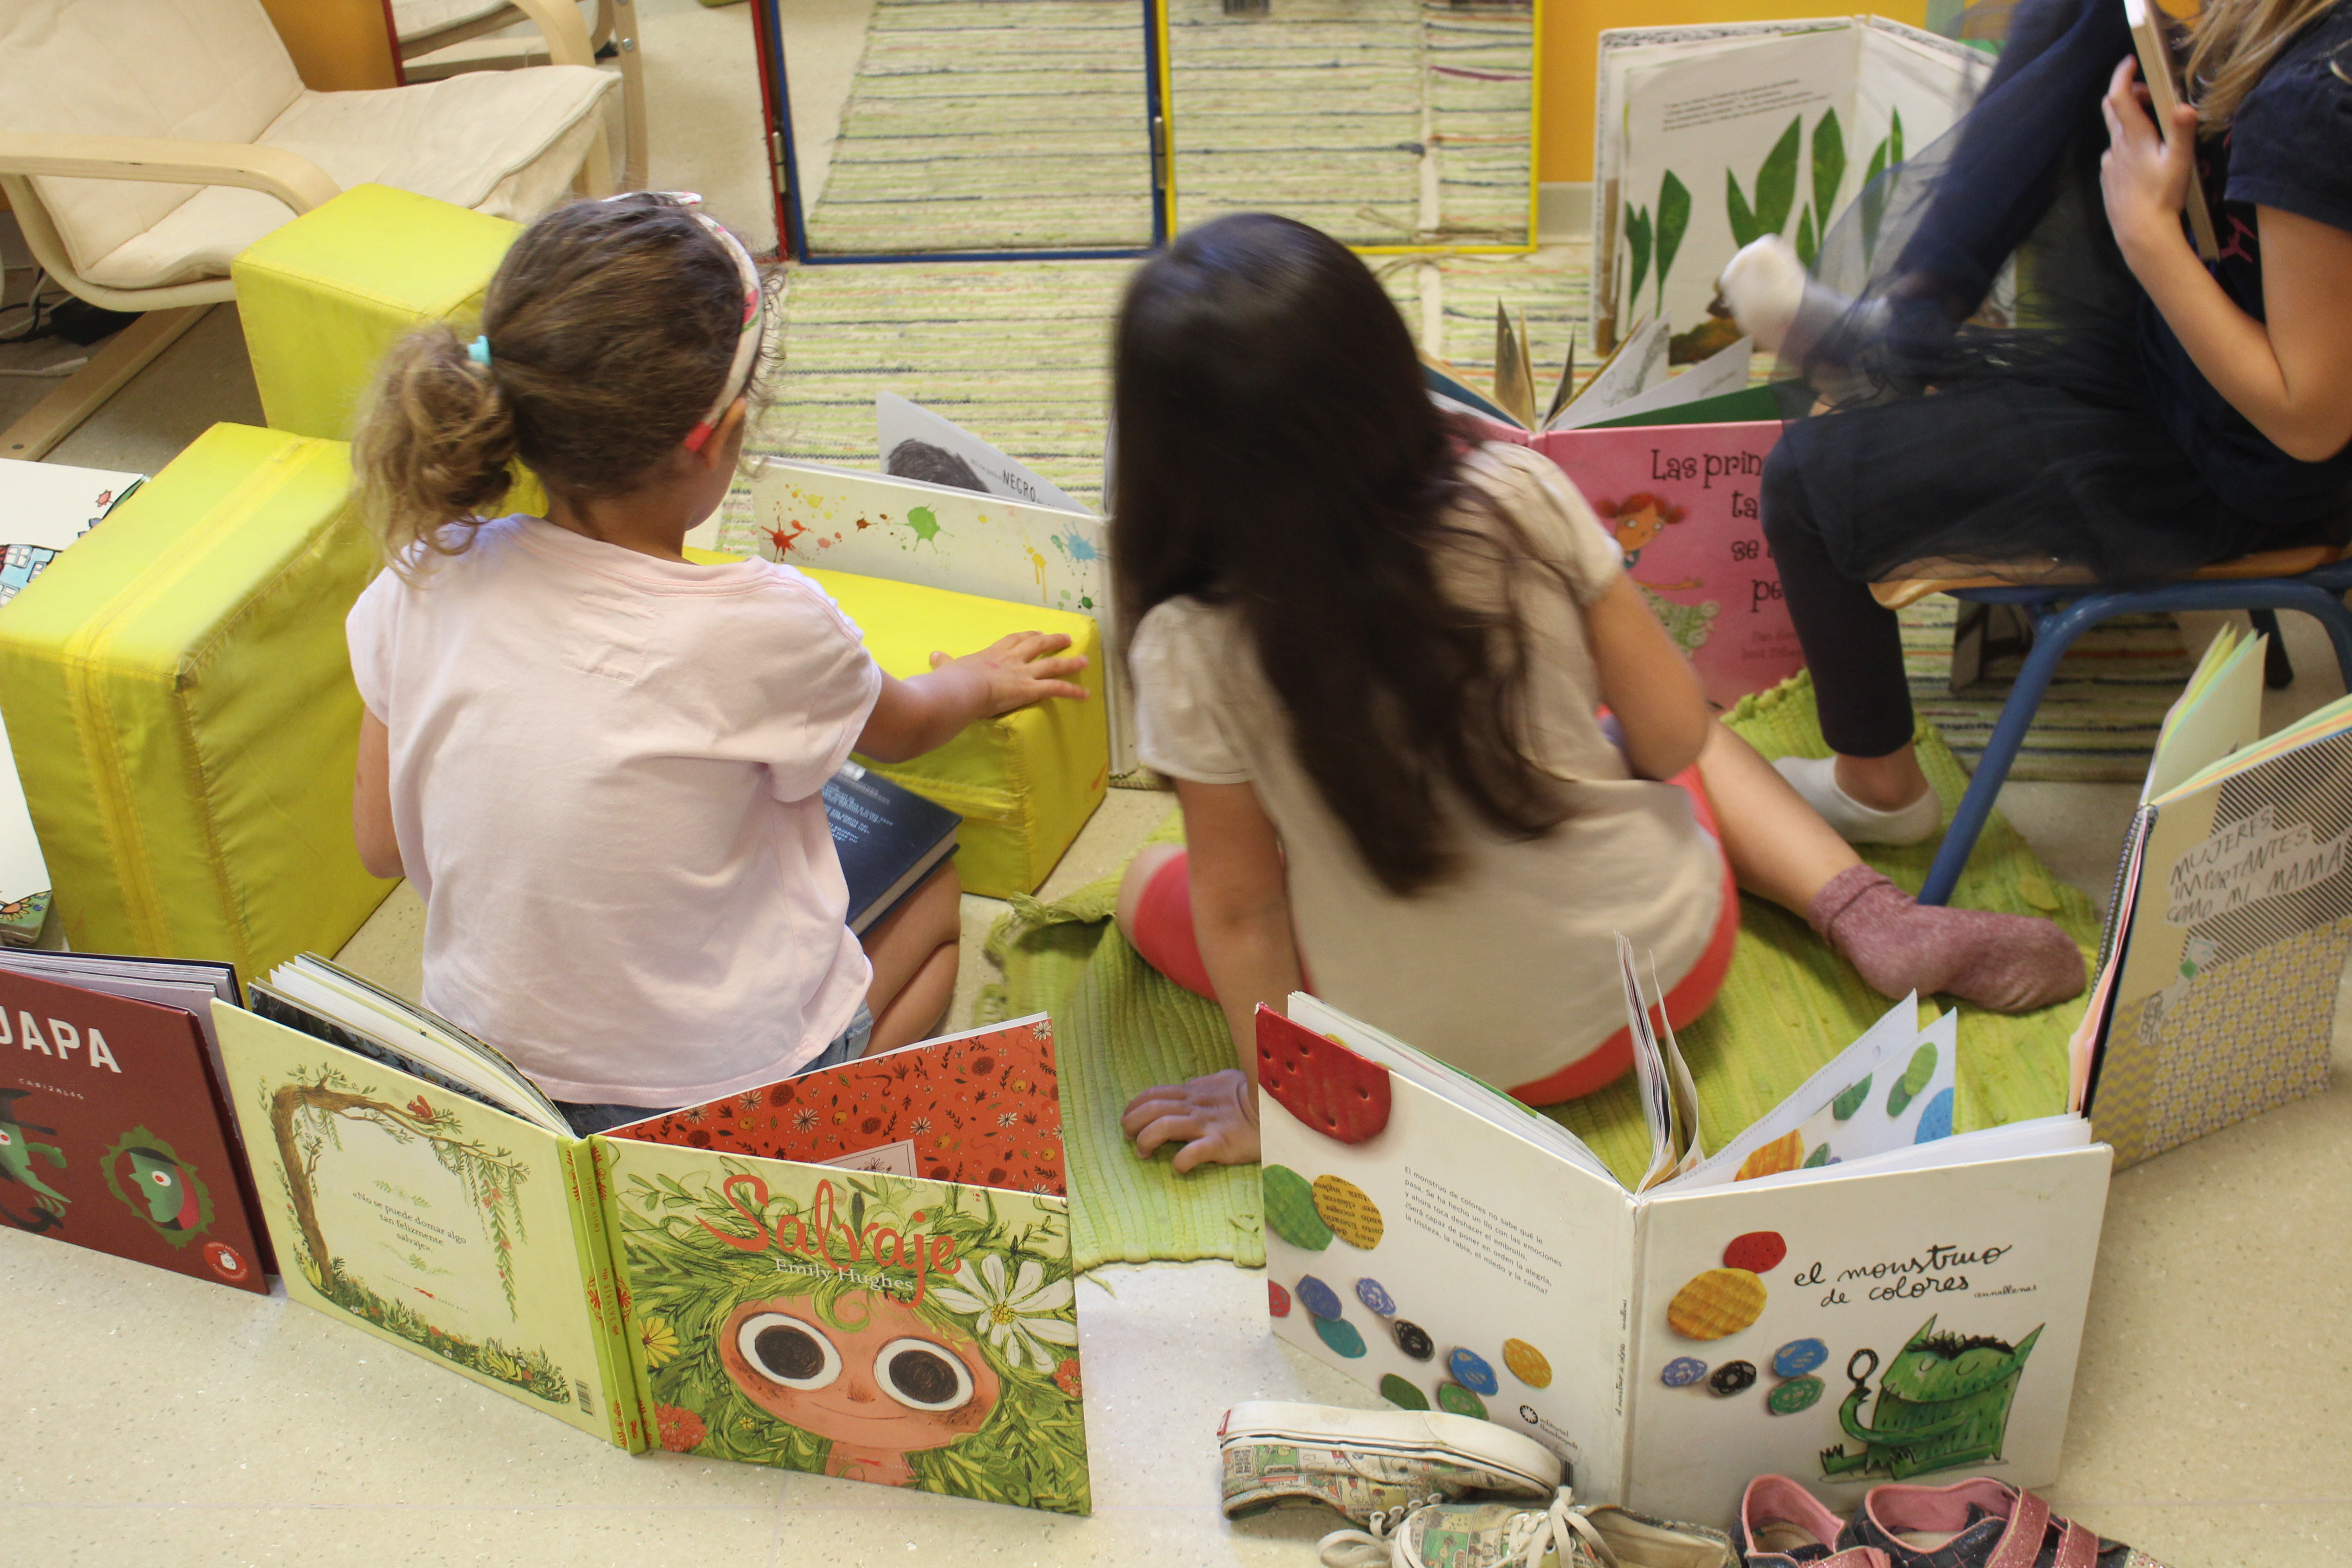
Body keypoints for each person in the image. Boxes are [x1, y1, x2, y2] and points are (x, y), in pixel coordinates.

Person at [1103, 213, 2086, 1172]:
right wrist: (1572, 757)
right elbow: (1665, 739)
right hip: (1665, 977)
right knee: (1679, 725)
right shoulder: (1518, 493)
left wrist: (1276, 1100)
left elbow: (1242, 917)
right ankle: (1869, 912)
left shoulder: (1188, 649)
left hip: (1417, 1055)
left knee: (1152, 889)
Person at [345, 193, 1088, 1136]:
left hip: (495, 1077)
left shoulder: (426, 568)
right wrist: (982, 680)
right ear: (724, 436)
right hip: (718, 1089)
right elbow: (903, 729)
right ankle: (826, 1130)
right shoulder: (767, 621)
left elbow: (379, 843)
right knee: (934, 897)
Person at [1720, 0, 2352, 842]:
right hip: (2191, 356)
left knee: (1805, 485)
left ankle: (1878, 789)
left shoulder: (2312, 100)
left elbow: (2308, 424)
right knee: (2089, 14)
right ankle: (1901, 329)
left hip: (2233, 464)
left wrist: (2149, 237)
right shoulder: (2286, 48)